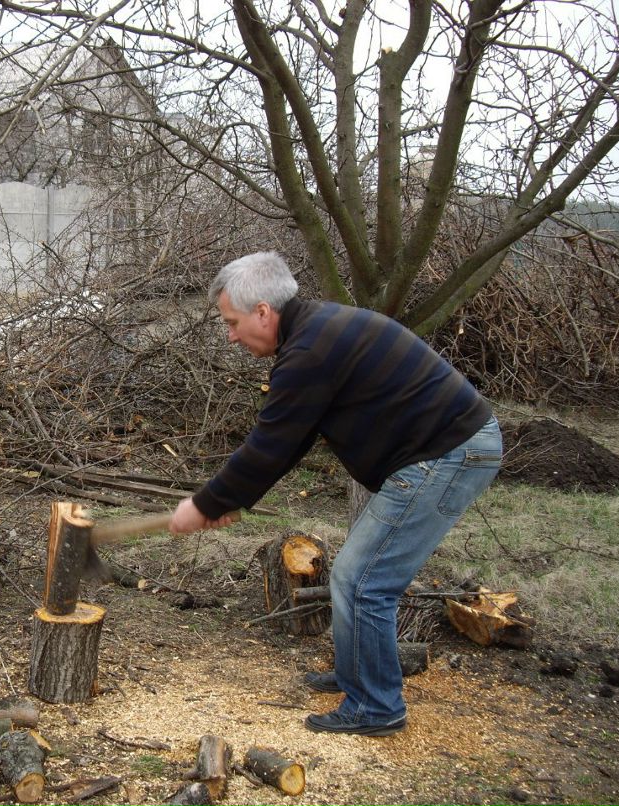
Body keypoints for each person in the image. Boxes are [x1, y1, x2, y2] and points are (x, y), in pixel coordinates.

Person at [169, 251, 502, 737]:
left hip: (448, 452)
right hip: (443, 449)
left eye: (232, 323)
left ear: (262, 312)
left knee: (365, 579)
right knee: (356, 574)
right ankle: (357, 677)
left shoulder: (309, 352)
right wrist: (224, 501)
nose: (231, 336)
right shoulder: (315, 334)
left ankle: (376, 706)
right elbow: (291, 442)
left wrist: (204, 505)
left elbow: (268, 446)